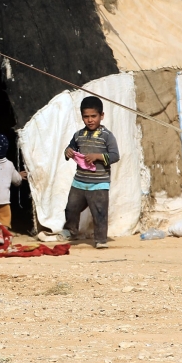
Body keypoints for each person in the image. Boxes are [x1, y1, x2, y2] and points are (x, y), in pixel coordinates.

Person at [61, 96, 119, 249]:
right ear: (82, 117)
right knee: (71, 207)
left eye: (94, 116)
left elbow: (115, 155)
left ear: (102, 116)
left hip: (99, 183)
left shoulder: (107, 136)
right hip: (79, 181)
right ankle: (71, 231)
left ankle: (100, 239)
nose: (90, 120)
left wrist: (98, 157)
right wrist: (68, 152)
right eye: (86, 117)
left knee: (99, 212)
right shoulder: (78, 135)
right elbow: (71, 148)